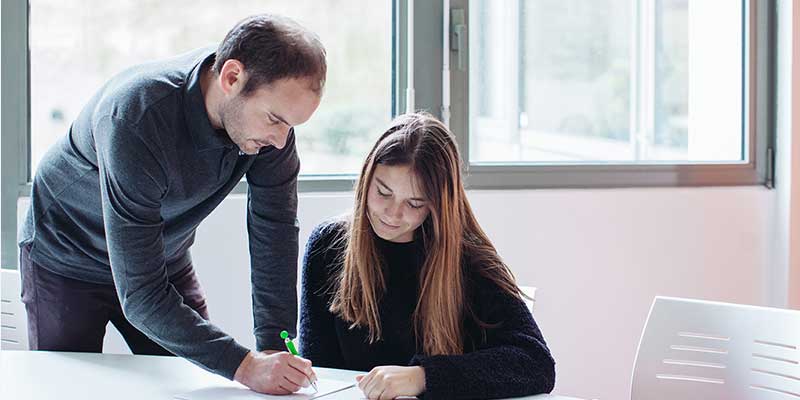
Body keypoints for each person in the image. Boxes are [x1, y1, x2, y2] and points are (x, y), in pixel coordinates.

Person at [19, 14, 323, 394]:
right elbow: (141, 298)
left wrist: (275, 351)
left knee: (194, 381)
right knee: (69, 390)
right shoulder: (136, 115)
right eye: (275, 120)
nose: (281, 141)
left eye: (291, 126)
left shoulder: (270, 132)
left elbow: (274, 230)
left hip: (159, 256)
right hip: (67, 256)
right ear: (232, 78)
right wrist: (245, 365)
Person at [299, 112, 556, 399]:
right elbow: (321, 372)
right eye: (383, 192)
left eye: (414, 203)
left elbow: (536, 363)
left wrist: (423, 376)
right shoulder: (328, 245)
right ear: (366, 179)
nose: (393, 214)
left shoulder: (468, 260)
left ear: (437, 206)